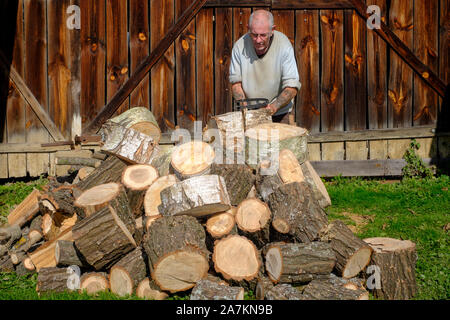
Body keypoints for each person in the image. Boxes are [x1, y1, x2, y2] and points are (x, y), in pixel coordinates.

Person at [229, 10, 301, 123]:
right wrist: (245, 107)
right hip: (249, 113)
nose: (258, 40)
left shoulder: (283, 46)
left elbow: (292, 87)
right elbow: (236, 84)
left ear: (272, 30)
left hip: (280, 112)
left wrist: (273, 107)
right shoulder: (239, 46)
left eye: (263, 35)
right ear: (248, 28)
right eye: (254, 35)